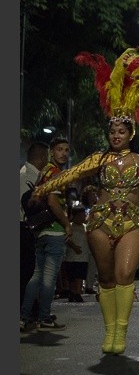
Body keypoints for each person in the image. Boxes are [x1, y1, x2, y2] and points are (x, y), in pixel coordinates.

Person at [33, 46, 139, 353]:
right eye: (113, 131)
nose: (116, 135)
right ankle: (108, 332)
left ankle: (121, 333)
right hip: (100, 221)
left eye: (121, 131)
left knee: (125, 275)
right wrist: (44, 187)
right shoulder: (98, 159)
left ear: (131, 133)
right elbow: (69, 176)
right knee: (106, 279)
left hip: (132, 222)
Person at [21, 136, 72, 332]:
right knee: (49, 277)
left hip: (40, 230)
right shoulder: (56, 173)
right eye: (60, 149)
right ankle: (44, 317)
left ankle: (24, 316)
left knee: (36, 276)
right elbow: (52, 201)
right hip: (54, 230)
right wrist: (67, 224)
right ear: (52, 152)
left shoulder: (43, 172)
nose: (64, 154)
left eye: (67, 150)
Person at [20, 141, 49, 309]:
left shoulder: (32, 175)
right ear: (42, 157)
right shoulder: (26, 176)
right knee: (25, 271)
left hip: (26, 228)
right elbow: (26, 204)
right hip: (22, 228)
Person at [64, 204, 90, 302]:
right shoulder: (70, 227)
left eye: (83, 215)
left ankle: (77, 292)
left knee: (80, 276)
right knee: (71, 276)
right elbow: (66, 239)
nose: (82, 218)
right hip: (71, 256)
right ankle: (72, 292)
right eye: (80, 216)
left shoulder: (86, 228)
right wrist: (74, 247)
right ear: (74, 216)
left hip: (83, 257)